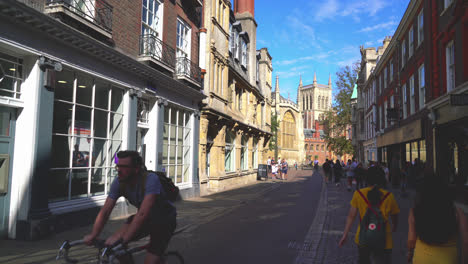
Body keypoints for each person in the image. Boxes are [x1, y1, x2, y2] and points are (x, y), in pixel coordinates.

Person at [84, 151, 177, 264]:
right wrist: (94, 234)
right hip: (145, 218)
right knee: (112, 244)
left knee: (149, 260)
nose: (119, 169)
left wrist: (124, 240)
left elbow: (142, 213)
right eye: (118, 166)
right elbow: (105, 211)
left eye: (124, 167)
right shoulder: (119, 182)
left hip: (164, 221)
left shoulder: (151, 180)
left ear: (136, 169)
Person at [339, 168, 400, 264]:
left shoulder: (358, 194)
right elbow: (394, 216)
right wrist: (394, 227)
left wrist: (345, 234)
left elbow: (351, 216)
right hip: (384, 238)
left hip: (363, 236)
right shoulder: (389, 196)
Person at [407, 175, 468, 264]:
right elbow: (466, 241)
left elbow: (411, 239)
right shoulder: (457, 212)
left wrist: (409, 253)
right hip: (448, 259)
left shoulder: (415, 211)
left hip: (422, 259)